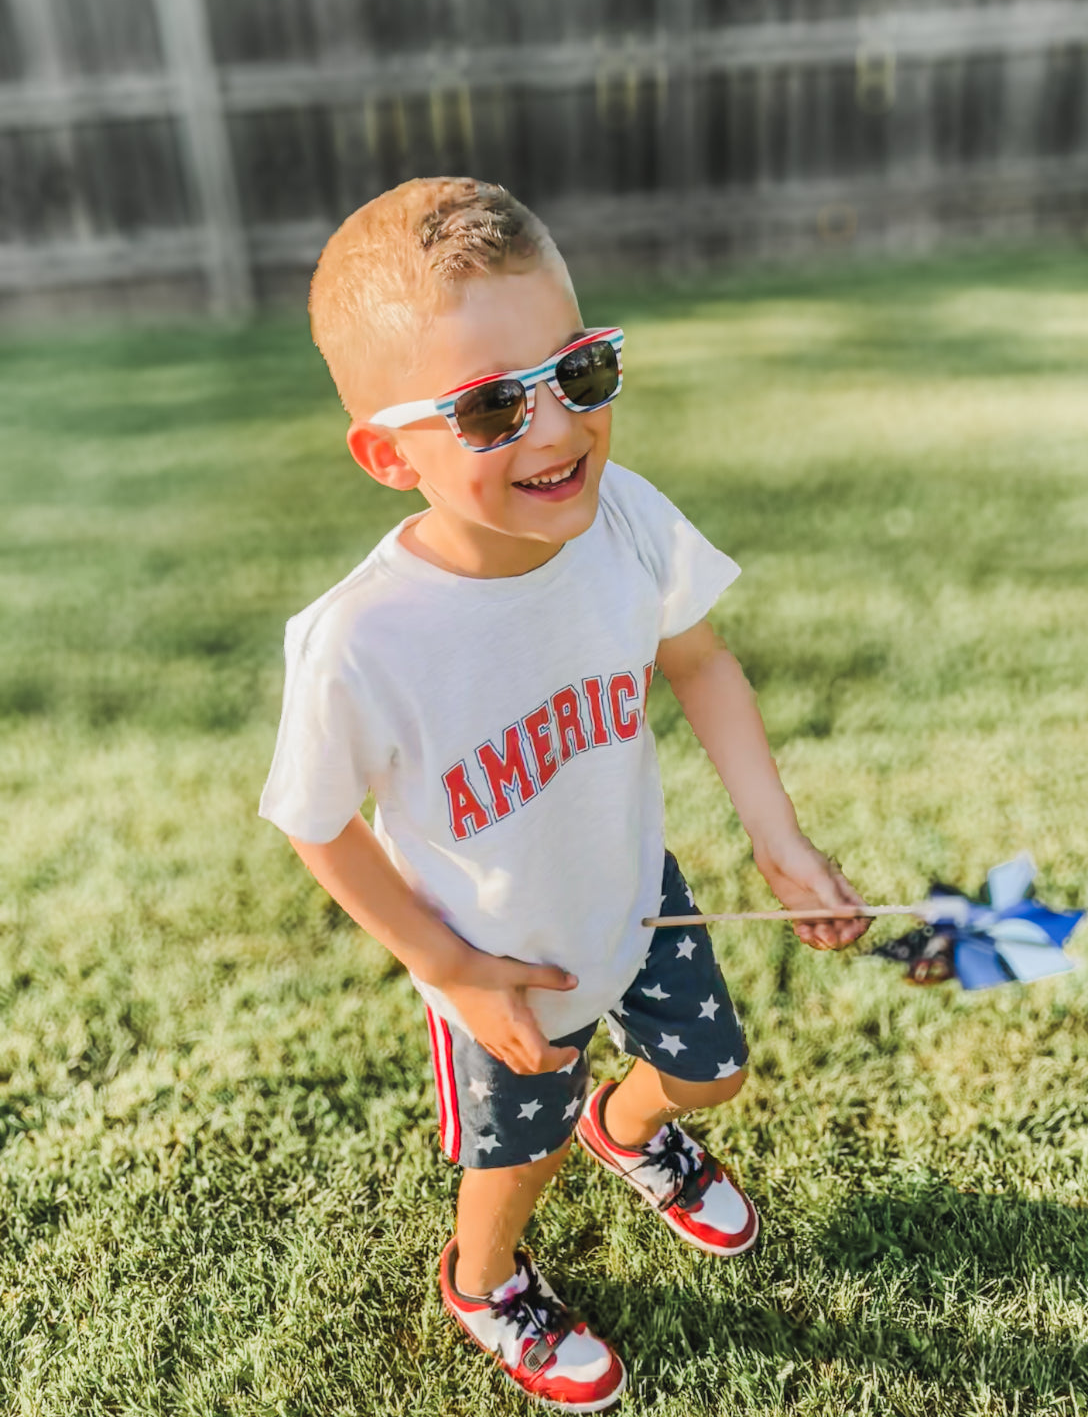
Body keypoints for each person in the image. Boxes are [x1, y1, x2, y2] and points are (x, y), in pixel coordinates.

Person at [258, 176, 870, 1411]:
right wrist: (451, 963)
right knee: (515, 1155)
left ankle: (634, 1129)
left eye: (578, 372)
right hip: (502, 954)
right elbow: (315, 823)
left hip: (642, 897)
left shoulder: (626, 522)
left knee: (712, 1071)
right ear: (390, 454)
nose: (554, 430)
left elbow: (696, 660)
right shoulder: (363, 641)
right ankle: (482, 1279)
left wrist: (778, 836)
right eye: (488, 406)